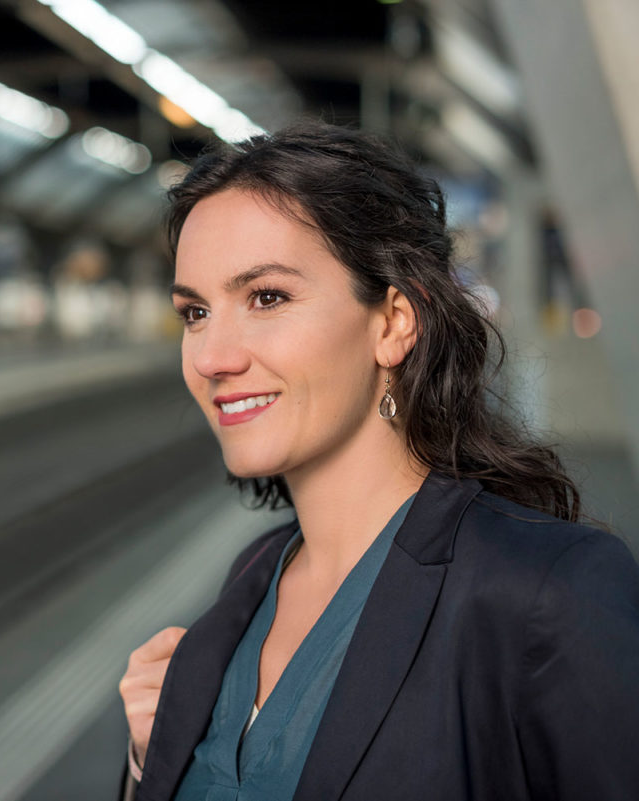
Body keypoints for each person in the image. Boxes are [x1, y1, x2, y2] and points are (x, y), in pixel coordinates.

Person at [117, 121, 639, 801]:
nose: (213, 356)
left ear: (394, 321)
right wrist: (147, 765)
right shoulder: (252, 578)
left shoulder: (547, 590)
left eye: (267, 297)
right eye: (195, 312)